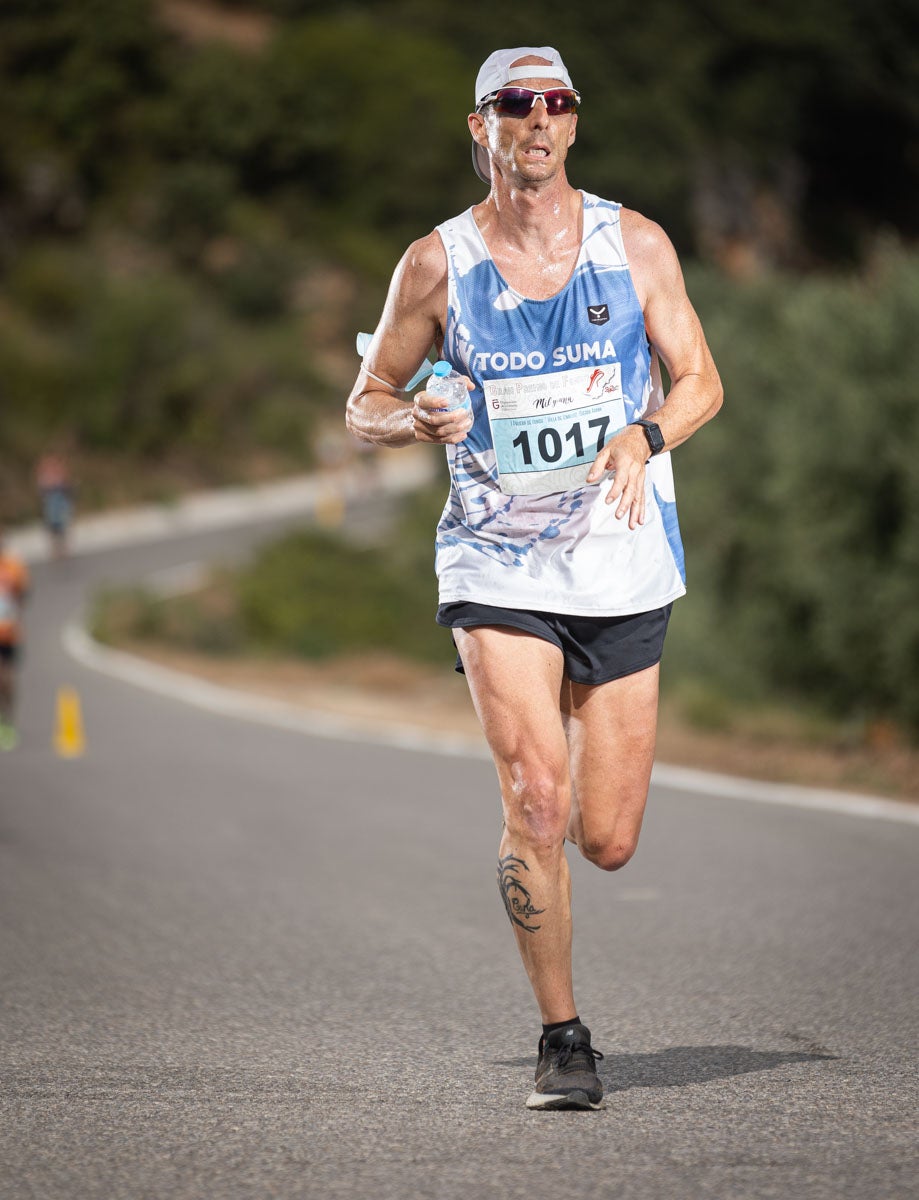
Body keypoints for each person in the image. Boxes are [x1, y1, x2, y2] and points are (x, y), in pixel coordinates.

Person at [345, 46, 723, 1110]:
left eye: (555, 104)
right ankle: (564, 1038)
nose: (536, 122)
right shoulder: (436, 264)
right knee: (538, 799)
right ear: (480, 126)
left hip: (618, 557)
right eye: (515, 105)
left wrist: (646, 435)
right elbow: (363, 400)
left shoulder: (633, 243)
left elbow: (701, 381)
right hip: (494, 556)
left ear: (573, 123)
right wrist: (411, 415)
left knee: (606, 838)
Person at [0, 530, 30, 750]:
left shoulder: (13, 567)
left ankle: (7, 721)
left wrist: (15, 612)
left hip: (8, 634)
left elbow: (24, 594)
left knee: (7, 681)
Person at [36, 449, 73, 559]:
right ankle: (55, 549)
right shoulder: (44, 477)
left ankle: (63, 548)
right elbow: (42, 489)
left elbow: (66, 486)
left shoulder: (60, 474)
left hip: (60, 503)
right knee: (52, 528)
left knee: (62, 526)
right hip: (51, 505)